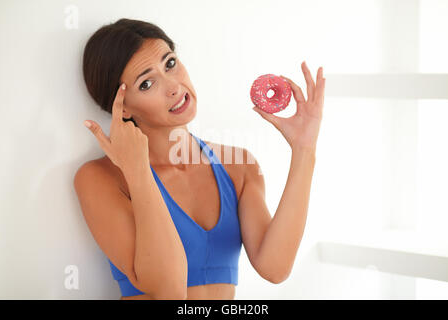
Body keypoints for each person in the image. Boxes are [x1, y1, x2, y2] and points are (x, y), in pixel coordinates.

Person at [74, 18, 325, 300]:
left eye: (170, 64)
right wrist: (139, 172)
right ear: (122, 108)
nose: (173, 86)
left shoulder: (239, 166)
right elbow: (167, 289)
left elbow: (275, 268)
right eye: (146, 83)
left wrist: (304, 150)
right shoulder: (101, 178)